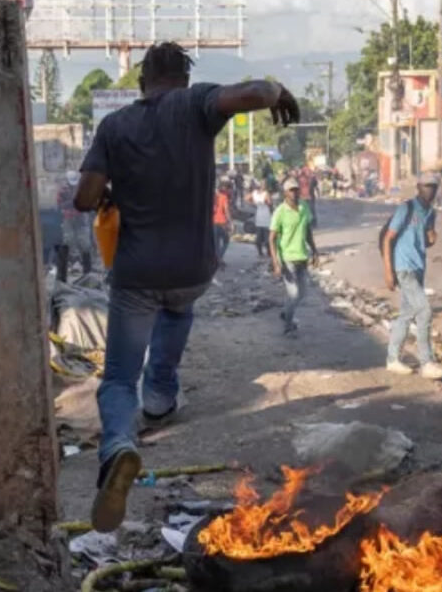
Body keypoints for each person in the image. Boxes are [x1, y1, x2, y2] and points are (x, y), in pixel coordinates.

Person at [73, 41, 300, 533]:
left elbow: (84, 197)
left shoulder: (114, 126)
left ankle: (118, 445)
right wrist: (276, 91)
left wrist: (110, 190)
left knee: (116, 377)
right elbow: (255, 91)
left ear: (142, 82)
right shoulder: (197, 104)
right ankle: (159, 399)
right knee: (177, 312)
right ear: (183, 75)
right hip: (194, 268)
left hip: (137, 271)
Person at [382, 172, 442, 379]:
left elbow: (424, 240)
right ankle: (427, 362)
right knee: (424, 311)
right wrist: (388, 271)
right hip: (404, 268)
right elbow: (388, 239)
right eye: (426, 186)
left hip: (418, 268)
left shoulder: (430, 213)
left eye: (433, 187)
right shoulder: (406, 208)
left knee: (406, 316)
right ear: (418, 187)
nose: (430, 190)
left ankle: (392, 359)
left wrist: (432, 238)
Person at [269, 178, 317, 336]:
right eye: (291, 190)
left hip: (302, 256)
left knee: (303, 293)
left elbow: (308, 231)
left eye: (296, 189)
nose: (294, 192)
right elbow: (272, 238)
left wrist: (315, 251)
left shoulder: (304, 207)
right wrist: (276, 263)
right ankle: (288, 326)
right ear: (285, 192)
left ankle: (285, 312)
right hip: (287, 259)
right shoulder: (280, 211)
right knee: (294, 293)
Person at [56, 171, 93, 281]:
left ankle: (87, 270)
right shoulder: (63, 191)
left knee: (85, 243)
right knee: (68, 241)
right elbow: (60, 205)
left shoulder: (82, 188)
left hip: (81, 218)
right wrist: (72, 203)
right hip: (68, 218)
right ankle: (70, 267)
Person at [250, 181, 273, 258]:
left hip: (264, 217)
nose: (264, 186)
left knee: (264, 239)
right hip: (262, 217)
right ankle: (263, 253)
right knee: (261, 239)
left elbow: (270, 203)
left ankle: (266, 252)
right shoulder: (258, 193)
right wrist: (254, 202)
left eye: (264, 185)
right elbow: (247, 198)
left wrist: (262, 202)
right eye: (263, 185)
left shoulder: (261, 193)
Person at [213, 179, 232, 265]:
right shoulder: (223, 197)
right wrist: (230, 222)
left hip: (213, 223)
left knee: (216, 243)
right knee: (226, 240)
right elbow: (226, 211)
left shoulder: (212, 197)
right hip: (222, 223)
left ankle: (218, 258)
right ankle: (219, 258)